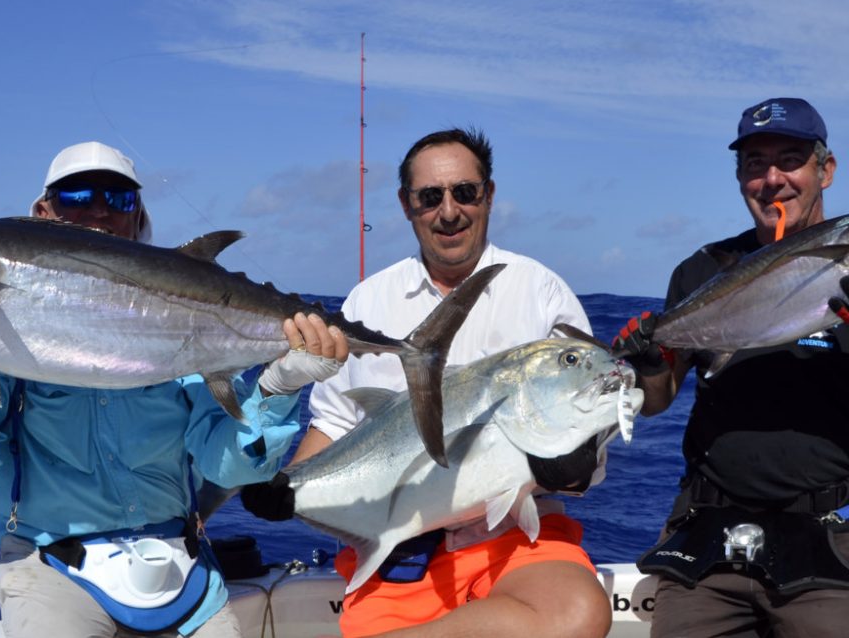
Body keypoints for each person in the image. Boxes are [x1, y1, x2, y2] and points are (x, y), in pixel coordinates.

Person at [0, 141, 349, 638]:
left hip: (182, 569)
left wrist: (279, 388)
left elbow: (229, 466)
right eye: (77, 196)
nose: (99, 211)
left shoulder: (185, 327)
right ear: (43, 211)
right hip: (48, 569)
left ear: (138, 217)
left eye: (119, 199)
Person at [243, 128, 613, 638]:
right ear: (405, 204)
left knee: (576, 613)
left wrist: (572, 466)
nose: (449, 210)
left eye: (465, 192)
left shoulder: (540, 292)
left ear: (489, 195)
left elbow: (586, 448)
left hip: (514, 537)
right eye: (430, 197)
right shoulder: (368, 303)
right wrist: (286, 489)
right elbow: (333, 426)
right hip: (398, 547)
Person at [613, 98, 849, 637]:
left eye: (789, 160)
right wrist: (648, 360)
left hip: (830, 539)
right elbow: (655, 400)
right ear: (740, 178)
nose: (772, 180)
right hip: (705, 538)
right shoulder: (702, 269)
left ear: (825, 170)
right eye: (754, 165)